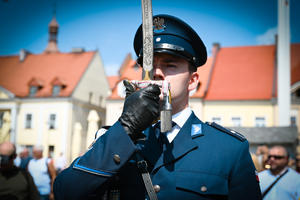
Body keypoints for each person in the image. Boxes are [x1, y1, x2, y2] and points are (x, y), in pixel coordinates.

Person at [54, 14, 262, 200]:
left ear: (192, 81)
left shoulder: (229, 149)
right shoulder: (115, 138)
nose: (157, 73)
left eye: (170, 64)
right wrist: (126, 128)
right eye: (149, 66)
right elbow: (66, 192)